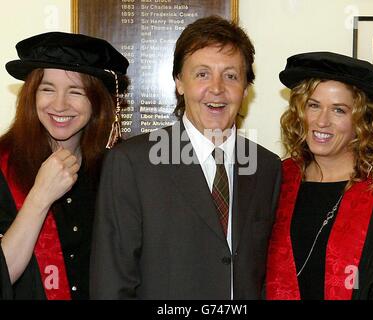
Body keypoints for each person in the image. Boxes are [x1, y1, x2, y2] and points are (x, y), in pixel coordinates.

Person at [90, 15, 281, 299]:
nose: (217, 89)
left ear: (245, 88)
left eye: (231, 76)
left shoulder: (267, 167)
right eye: (202, 74)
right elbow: (111, 284)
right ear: (179, 82)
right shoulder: (132, 163)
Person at [265, 51, 373, 300]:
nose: (322, 121)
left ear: (362, 121)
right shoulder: (275, 180)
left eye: (339, 110)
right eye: (313, 105)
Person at [0, 31, 129, 299]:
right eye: (47, 89)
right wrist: (39, 197)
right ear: (31, 96)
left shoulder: (117, 170)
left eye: (76, 91)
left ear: (96, 102)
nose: (59, 105)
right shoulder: (3, 166)